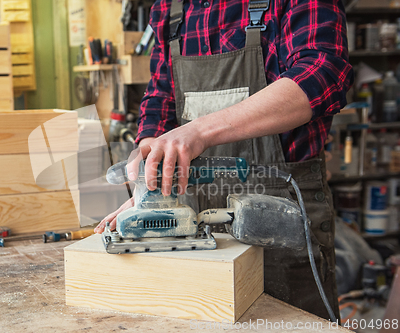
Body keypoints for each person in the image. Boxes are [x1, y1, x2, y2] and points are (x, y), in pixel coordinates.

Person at [95, 0, 353, 320]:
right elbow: (160, 99)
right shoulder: (169, 7)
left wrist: (199, 132)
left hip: (279, 211)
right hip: (189, 216)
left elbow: (323, 73)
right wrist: (151, 183)